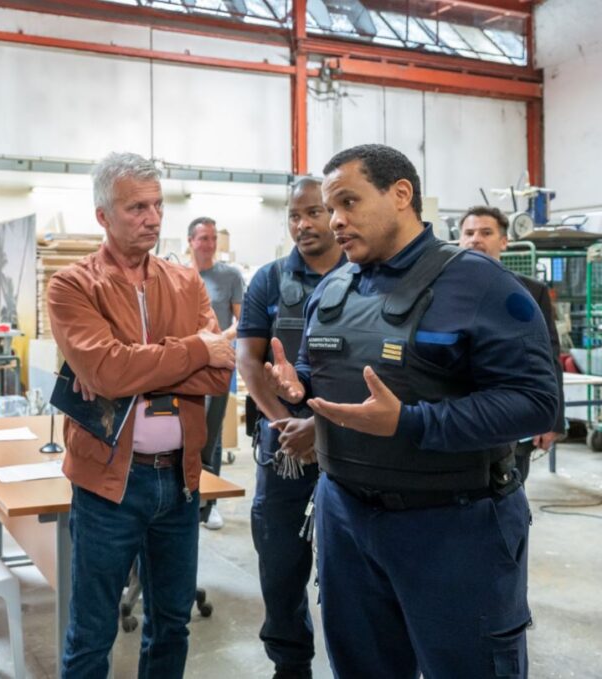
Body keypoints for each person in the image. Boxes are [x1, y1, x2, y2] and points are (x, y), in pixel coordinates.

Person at [264, 144, 558, 678]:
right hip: (345, 517)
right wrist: (296, 385)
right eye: (331, 209)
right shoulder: (332, 287)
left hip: (454, 525)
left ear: (401, 194)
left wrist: (412, 423)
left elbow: (536, 403)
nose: (335, 221)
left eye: (348, 202)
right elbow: (314, 370)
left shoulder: (483, 285)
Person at [46, 152, 234, 678]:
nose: (152, 217)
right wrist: (194, 350)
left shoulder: (185, 281)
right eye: (136, 208)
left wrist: (133, 367)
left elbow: (220, 376)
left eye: (157, 205)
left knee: (172, 623)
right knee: (92, 631)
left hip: (180, 479)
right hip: (110, 484)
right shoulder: (72, 285)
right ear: (103, 215)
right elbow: (106, 371)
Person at [236, 177, 344, 679]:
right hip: (282, 446)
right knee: (280, 563)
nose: (302, 225)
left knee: (352, 567)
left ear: (338, 213)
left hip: (351, 444)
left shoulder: (366, 274)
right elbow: (250, 362)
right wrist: (285, 426)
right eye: (294, 216)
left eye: (314, 213)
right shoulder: (270, 280)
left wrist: (320, 428)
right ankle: (290, 663)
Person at [459, 205, 566, 484]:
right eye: (468, 233)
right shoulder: (439, 289)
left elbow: (549, 357)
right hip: (456, 418)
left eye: (486, 232)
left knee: (508, 495)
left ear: (504, 241)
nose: (475, 239)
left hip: (514, 418)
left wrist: (552, 419)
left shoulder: (530, 292)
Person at [187, 216, 244, 530]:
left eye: (212, 238)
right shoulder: (179, 274)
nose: (208, 244)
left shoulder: (230, 276)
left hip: (217, 365)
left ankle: (209, 506)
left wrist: (216, 341)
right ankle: (188, 496)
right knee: (186, 432)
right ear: (191, 241)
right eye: (202, 238)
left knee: (212, 434)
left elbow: (241, 322)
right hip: (184, 365)